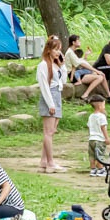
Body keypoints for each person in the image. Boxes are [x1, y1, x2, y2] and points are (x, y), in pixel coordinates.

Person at [36, 36, 67, 174]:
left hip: (57, 95)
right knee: (48, 132)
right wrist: (50, 103)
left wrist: (63, 64)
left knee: (51, 131)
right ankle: (50, 163)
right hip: (50, 97)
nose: (58, 52)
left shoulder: (55, 64)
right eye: (55, 49)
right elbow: (44, 86)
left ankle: (44, 161)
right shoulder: (43, 65)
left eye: (59, 49)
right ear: (48, 50)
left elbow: (63, 81)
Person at [64, 35, 110, 102]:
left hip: (79, 73)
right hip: (75, 75)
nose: (80, 42)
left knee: (102, 75)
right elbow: (81, 64)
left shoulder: (72, 52)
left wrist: (86, 55)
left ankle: (109, 96)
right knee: (100, 77)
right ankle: (85, 95)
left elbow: (79, 61)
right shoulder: (70, 52)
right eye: (78, 40)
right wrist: (96, 70)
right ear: (73, 42)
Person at [87, 95, 109, 178]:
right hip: (99, 139)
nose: (104, 107)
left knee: (92, 155)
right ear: (100, 105)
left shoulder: (91, 116)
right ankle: (100, 169)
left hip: (91, 139)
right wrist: (106, 138)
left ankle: (93, 169)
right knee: (100, 155)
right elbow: (103, 127)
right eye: (104, 105)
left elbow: (89, 127)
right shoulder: (102, 116)